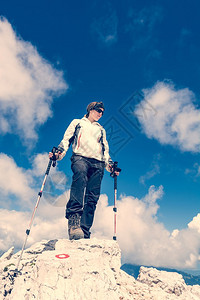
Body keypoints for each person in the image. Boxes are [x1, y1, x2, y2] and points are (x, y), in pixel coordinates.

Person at [49, 101, 119, 240]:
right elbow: (66, 140)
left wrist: (110, 166)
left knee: (93, 197)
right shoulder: (77, 123)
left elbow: (105, 150)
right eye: (98, 110)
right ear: (90, 109)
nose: (100, 113)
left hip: (98, 163)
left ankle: (85, 230)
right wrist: (59, 154)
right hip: (80, 157)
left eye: (102, 112)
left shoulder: (101, 129)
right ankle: (74, 223)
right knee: (79, 179)